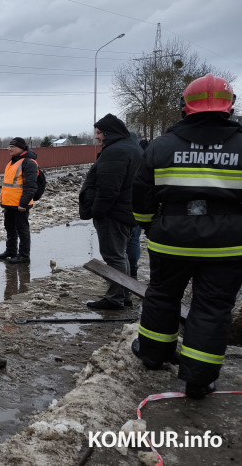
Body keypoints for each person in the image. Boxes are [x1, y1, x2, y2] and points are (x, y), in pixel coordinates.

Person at [131, 74, 242, 399]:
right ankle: (199, 380)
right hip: (228, 246)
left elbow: (142, 196)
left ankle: (152, 356)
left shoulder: (161, 146)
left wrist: (151, 226)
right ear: (229, 106)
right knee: (213, 308)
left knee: (163, 295)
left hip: (171, 240)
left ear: (184, 107)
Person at [80, 114, 143, 309]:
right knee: (121, 255)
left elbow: (108, 189)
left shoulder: (116, 152)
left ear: (109, 133)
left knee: (114, 256)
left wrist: (97, 211)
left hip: (113, 214)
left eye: (99, 133)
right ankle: (123, 295)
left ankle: (115, 298)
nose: (97, 137)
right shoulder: (132, 148)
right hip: (127, 211)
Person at [0, 137, 37, 264]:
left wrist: (23, 203)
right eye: (9, 146)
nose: (10, 149)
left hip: (20, 205)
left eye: (12, 147)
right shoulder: (12, 162)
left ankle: (24, 256)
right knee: (10, 228)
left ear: (21, 148)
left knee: (22, 230)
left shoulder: (28, 163)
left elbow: (31, 186)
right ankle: (11, 251)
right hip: (9, 204)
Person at [125, 138, 150, 279]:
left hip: (125, 206)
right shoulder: (144, 156)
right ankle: (133, 272)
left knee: (122, 245)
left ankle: (125, 275)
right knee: (134, 241)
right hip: (137, 205)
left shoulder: (122, 155)